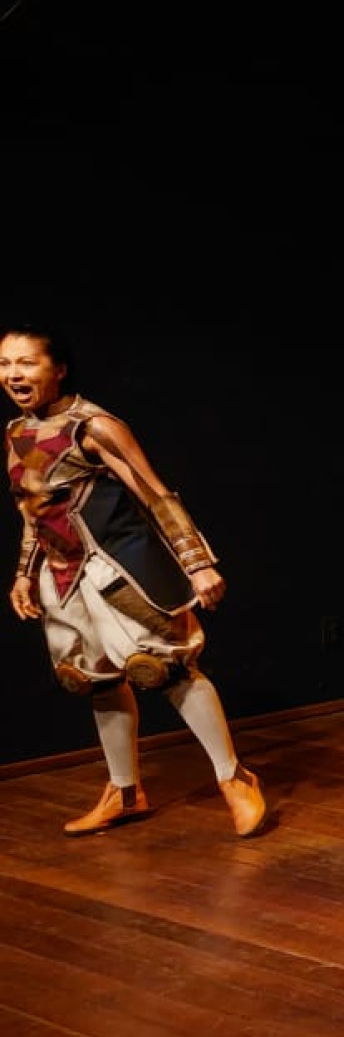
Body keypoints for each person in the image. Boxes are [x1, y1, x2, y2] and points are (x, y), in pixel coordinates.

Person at [4, 321, 267, 838]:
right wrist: (23, 574)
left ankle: (234, 777)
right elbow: (33, 511)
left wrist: (197, 562)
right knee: (94, 678)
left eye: (26, 363)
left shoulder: (94, 426)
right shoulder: (16, 433)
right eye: (5, 364)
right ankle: (124, 791)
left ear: (57, 369)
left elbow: (154, 493)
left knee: (162, 670)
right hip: (62, 578)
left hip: (116, 569)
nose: (14, 374)